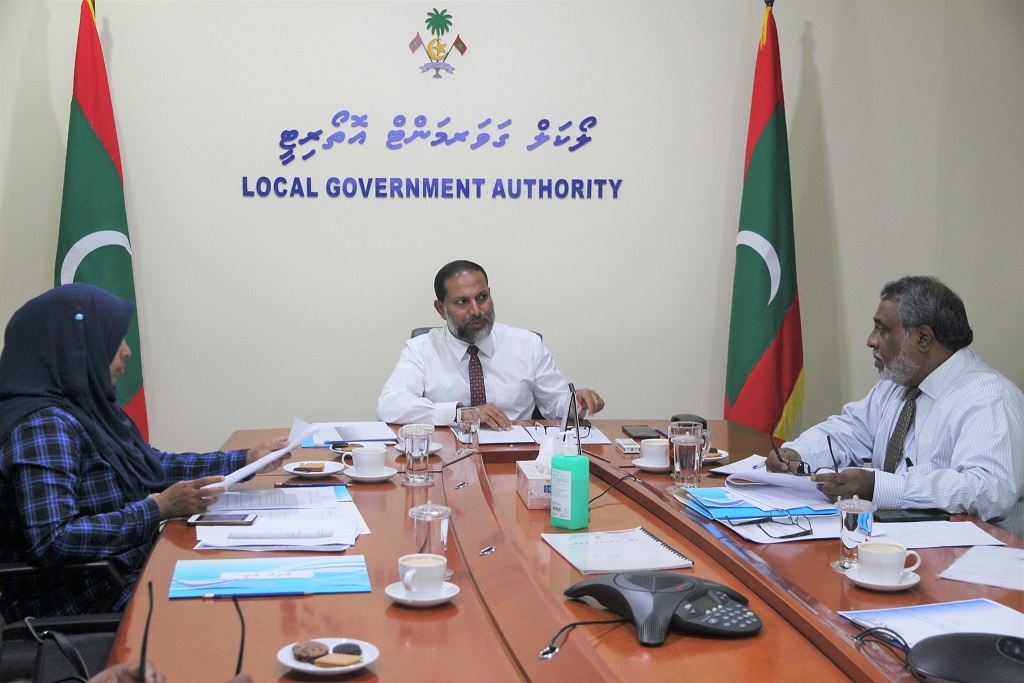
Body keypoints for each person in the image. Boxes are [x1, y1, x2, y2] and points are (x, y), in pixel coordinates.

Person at [0, 284, 291, 623]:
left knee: (259, 577)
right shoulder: (42, 425)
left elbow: (150, 465)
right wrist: (157, 508)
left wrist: (246, 459)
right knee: (245, 606)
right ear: (77, 348)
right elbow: (54, 540)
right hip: (86, 598)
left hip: (127, 570)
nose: (127, 352)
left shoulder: (84, 408)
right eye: (114, 341)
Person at [767, 276, 1024, 536]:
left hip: (965, 549)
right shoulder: (900, 382)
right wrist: (800, 453)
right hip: (894, 539)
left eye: (882, 330)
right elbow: (850, 430)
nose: (871, 340)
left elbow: (988, 491)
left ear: (923, 338)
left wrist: (880, 487)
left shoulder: (989, 400)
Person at [377, 260, 604, 430]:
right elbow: (390, 405)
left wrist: (576, 402)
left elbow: (556, 404)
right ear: (441, 309)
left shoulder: (527, 345)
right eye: (462, 302)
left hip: (515, 455)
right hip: (447, 459)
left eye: (482, 297)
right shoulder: (421, 350)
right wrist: (460, 413)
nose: (476, 311)